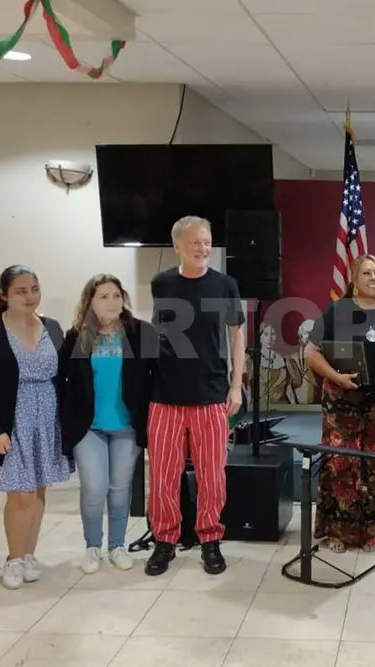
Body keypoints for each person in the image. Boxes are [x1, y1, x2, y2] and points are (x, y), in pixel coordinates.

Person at [144, 216, 245, 577]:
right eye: (195, 243)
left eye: (207, 241)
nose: (203, 248)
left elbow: (236, 336)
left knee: (211, 475)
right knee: (163, 475)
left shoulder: (225, 285)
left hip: (211, 394)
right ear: (177, 247)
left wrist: (236, 385)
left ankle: (210, 539)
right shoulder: (162, 283)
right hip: (166, 396)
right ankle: (165, 541)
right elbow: (161, 335)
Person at [0, 265, 69, 589]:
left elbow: (63, 376)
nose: (30, 296)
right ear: (3, 294)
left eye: (34, 289)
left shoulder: (52, 326)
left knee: (37, 490)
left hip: (46, 419)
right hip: (10, 421)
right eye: (21, 290)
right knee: (20, 494)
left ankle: (28, 555)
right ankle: (13, 558)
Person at [304, 255, 375, 552]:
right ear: (354, 277)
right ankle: (341, 533)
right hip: (342, 402)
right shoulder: (337, 311)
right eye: (366, 272)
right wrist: (335, 377)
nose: (373, 277)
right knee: (342, 465)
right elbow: (311, 352)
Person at [59, 274, 156, 574]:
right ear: (90, 302)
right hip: (89, 427)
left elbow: (158, 375)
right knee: (93, 488)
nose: (111, 302)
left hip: (127, 425)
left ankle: (117, 545)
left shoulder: (141, 333)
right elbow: (62, 380)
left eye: (116, 295)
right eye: (103, 296)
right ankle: (92, 546)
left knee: (118, 488)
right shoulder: (76, 337)